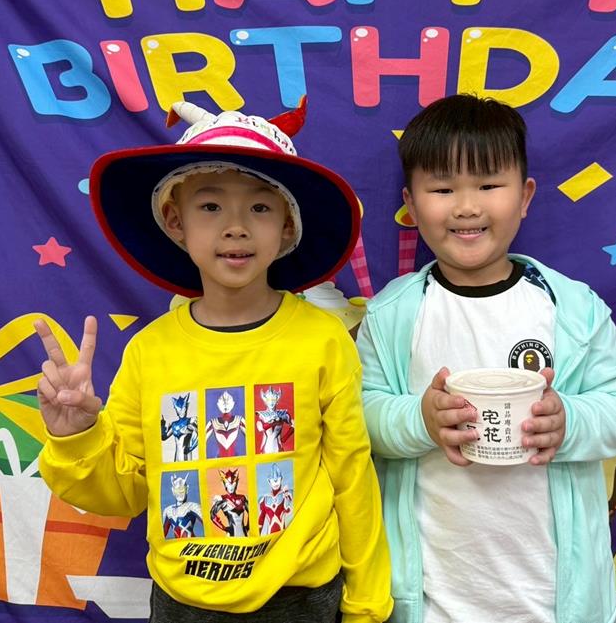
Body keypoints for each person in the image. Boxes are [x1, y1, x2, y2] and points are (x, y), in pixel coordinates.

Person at [35, 99, 393, 623]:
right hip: (182, 604)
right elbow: (124, 493)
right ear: (174, 221)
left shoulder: (322, 339)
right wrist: (77, 436)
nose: (235, 227)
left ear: (287, 227)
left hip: (301, 600)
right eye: (210, 206)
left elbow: (352, 477)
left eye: (260, 208)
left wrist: (367, 606)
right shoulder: (150, 351)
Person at [357, 94, 616, 623]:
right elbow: (361, 417)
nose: (467, 207)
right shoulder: (392, 314)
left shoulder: (570, 307)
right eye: (442, 189)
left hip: (552, 600)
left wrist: (569, 421)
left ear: (524, 196)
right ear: (411, 204)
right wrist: (420, 420)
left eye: (489, 186)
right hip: (432, 601)